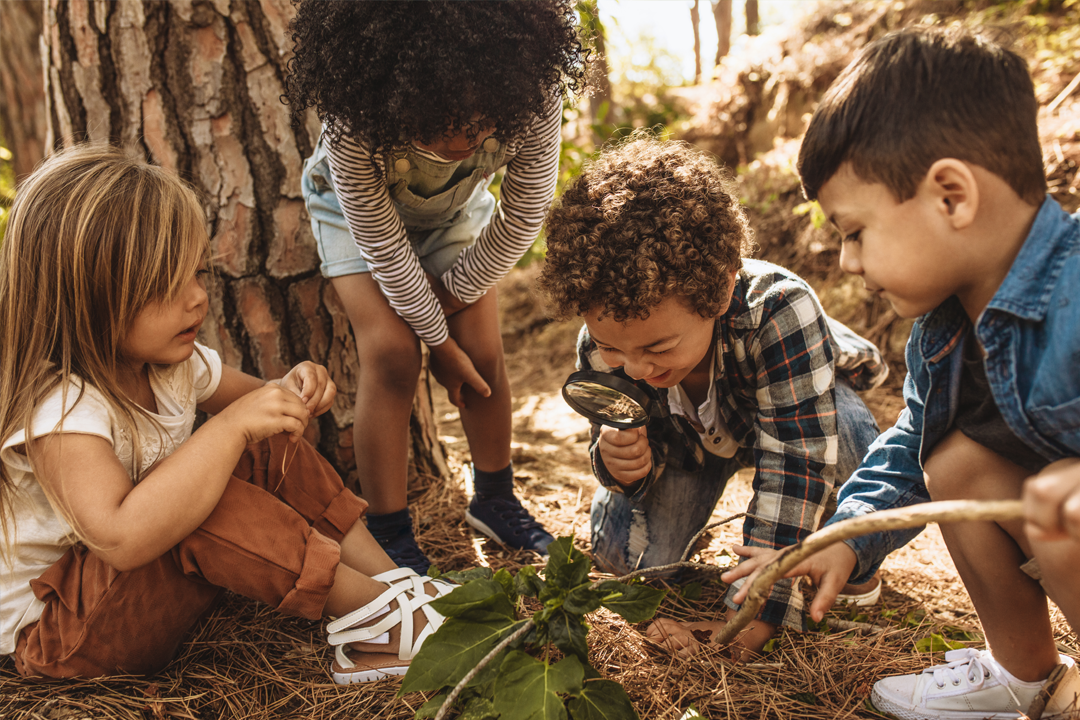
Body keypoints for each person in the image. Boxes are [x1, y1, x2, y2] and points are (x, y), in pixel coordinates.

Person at [724, 26, 1080, 719]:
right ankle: (1023, 675)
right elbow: (908, 453)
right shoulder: (943, 334)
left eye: (855, 231)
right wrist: (846, 541)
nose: (849, 261)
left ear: (952, 196)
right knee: (952, 462)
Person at [0, 145, 452, 683]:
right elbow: (121, 538)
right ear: (85, 300)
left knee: (263, 442)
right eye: (167, 286)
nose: (197, 299)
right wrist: (234, 426)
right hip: (60, 635)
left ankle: (395, 587)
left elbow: (262, 402)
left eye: (196, 274)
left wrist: (293, 389)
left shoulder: (169, 364)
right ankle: (379, 623)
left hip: (126, 595)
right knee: (204, 498)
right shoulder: (62, 410)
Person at [537, 134, 889, 660]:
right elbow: (610, 438)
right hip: (688, 447)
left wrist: (756, 608)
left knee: (853, 437)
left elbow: (795, 459)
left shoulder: (780, 310)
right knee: (624, 558)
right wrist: (621, 466)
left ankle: (847, 554)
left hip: (792, 412)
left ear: (721, 290)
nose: (635, 368)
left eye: (658, 346)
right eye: (614, 348)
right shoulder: (605, 344)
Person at [283, 1, 587, 573]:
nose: (463, 137)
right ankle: (390, 530)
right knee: (394, 353)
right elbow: (385, 250)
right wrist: (436, 345)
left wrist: (450, 305)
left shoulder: (534, 94)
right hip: (354, 219)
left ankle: (496, 500)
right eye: (441, 119)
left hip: (454, 214)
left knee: (484, 352)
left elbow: (521, 218)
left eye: (480, 121)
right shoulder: (355, 120)